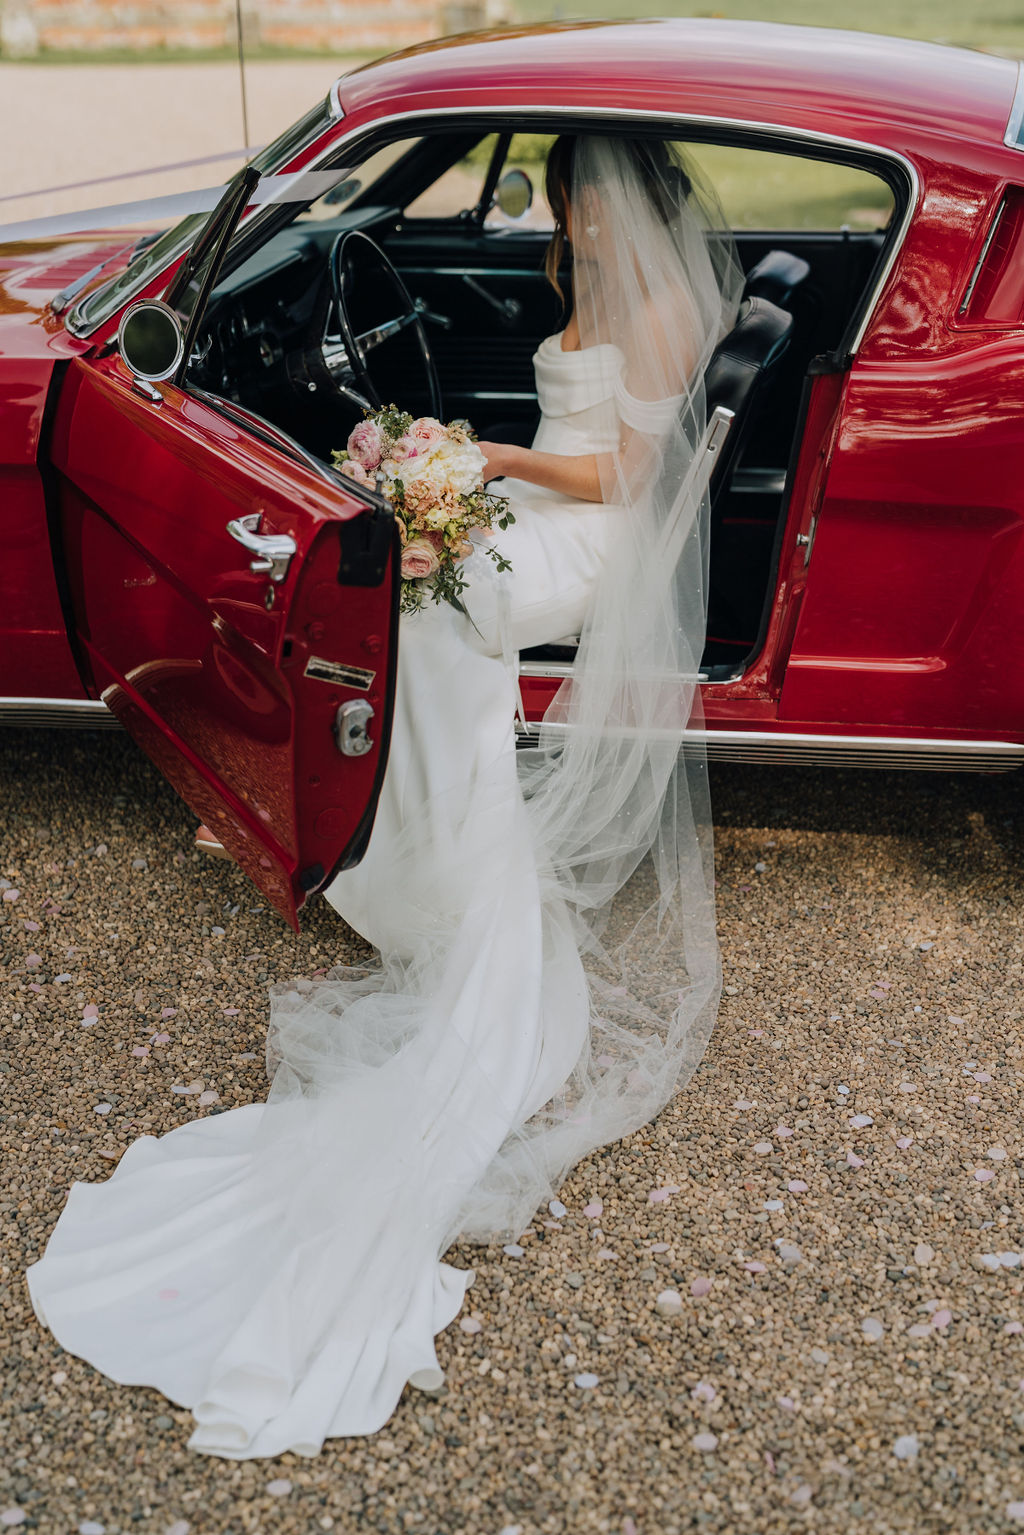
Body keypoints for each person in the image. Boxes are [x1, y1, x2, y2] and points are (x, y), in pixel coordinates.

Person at [24, 135, 742, 1459]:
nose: (559, 210)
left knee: (422, 599)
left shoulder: (647, 299)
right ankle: (408, 828)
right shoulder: (581, 271)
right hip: (534, 503)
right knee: (408, 578)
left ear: (612, 199)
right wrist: (454, 467)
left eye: (569, 189)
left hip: (589, 543)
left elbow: (626, 485)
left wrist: (479, 468)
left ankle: (434, 852)